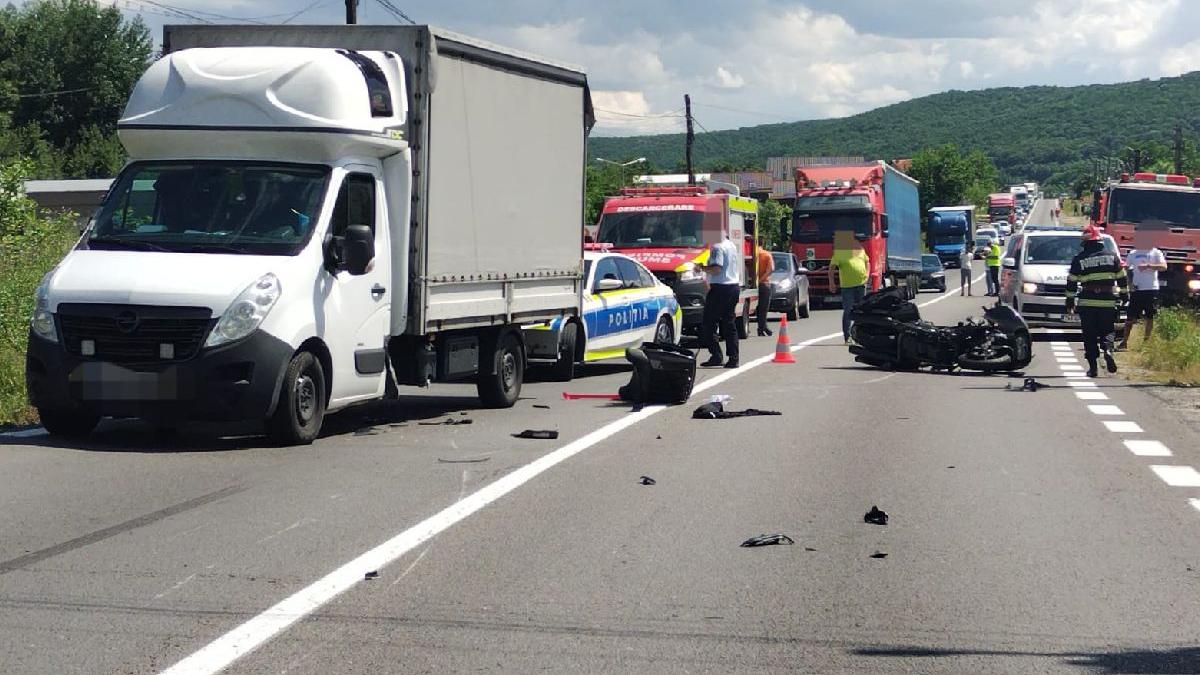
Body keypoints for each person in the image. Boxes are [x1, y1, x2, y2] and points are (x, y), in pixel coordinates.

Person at [1065, 225, 1128, 377]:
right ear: (1099, 241)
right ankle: (1107, 350)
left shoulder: (1079, 259)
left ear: (1086, 242)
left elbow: (1072, 282)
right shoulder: (1113, 257)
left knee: (1089, 335)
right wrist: (1124, 296)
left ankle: (1093, 368)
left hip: (1087, 303)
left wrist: (1070, 301)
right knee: (1107, 330)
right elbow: (1122, 278)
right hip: (1108, 302)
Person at [696, 232, 742, 368]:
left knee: (708, 322)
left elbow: (717, 268)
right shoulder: (731, 245)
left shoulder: (717, 247)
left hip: (721, 288)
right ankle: (733, 357)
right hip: (733, 286)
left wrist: (702, 268)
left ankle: (716, 354)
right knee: (729, 323)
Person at [1120, 230, 1167, 349]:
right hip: (1137, 288)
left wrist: (1148, 266)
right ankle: (1124, 342)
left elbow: (1163, 267)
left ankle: (1146, 343)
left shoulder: (1156, 253)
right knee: (1130, 317)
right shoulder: (1133, 253)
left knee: (1149, 316)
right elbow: (1127, 268)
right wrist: (1129, 283)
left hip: (1151, 288)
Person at [828, 229, 869, 343]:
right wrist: (832, 283)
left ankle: (860, 335)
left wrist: (867, 274)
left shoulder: (860, 250)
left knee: (861, 311)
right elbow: (831, 269)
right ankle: (847, 337)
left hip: (861, 285)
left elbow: (867, 262)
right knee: (848, 311)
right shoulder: (840, 253)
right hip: (847, 287)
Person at [755, 244, 775, 336]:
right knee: (763, 308)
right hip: (764, 284)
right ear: (762, 244)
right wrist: (760, 280)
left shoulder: (752, 253)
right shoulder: (766, 255)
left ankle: (763, 327)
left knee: (756, 307)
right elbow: (770, 269)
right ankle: (762, 327)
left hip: (751, 285)